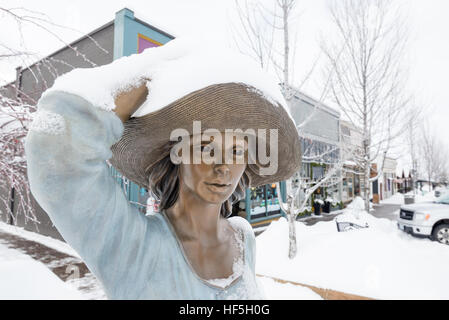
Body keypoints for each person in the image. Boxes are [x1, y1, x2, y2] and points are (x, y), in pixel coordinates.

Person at [25, 39, 302, 299]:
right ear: (177, 154)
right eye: (207, 147)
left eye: (237, 151)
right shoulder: (132, 246)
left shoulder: (243, 238)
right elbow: (57, 149)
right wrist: (152, 72)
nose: (224, 167)